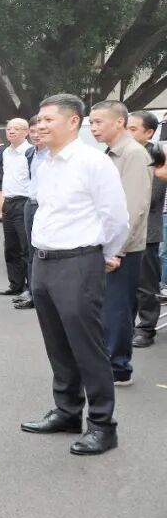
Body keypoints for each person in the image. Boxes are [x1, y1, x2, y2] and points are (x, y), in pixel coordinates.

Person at [21, 94, 127, 456]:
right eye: (39, 119)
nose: (40, 125)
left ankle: (102, 425)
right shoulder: (46, 162)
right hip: (44, 262)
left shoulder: (93, 162)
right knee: (57, 344)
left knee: (87, 346)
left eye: (48, 119)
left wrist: (104, 255)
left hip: (78, 263)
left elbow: (116, 218)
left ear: (73, 122)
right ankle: (67, 412)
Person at [89, 100, 151, 386]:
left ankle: (118, 368)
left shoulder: (133, 154)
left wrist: (116, 250)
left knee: (118, 309)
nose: (93, 128)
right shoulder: (110, 153)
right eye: (91, 122)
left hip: (122, 248)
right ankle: (107, 360)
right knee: (106, 307)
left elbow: (134, 207)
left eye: (98, 122)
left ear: (120, 122)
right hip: (107, 244)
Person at [127, 111, 166, 348]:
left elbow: (152, 197)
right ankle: (125, 326)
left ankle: (146, 328)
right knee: (123, 285)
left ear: (149, 132)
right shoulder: (117, 153)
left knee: (145, 286)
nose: (127, 133)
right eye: (125, 128)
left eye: (133, 129)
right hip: (121, 231)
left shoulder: (156, 156)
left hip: (146, 231)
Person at [0, 119, 32, 297]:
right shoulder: (6, 153)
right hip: (8, 202)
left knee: (26, 248)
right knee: (11, 247)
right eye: (9, 128)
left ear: (26, 132)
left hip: (24, 202)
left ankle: (31, 289)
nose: (11, 131)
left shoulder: (30, 152)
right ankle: (15, 285)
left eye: (16, 128)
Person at [14, 116, 48, 310]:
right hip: (30, 204)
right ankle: (31, 291)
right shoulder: (30, 153)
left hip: (45, 206)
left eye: (40, 131)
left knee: (43, 249)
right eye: (33, 131)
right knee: (29, 249)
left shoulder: (53, 154)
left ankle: (41, 294)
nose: (36, 135)